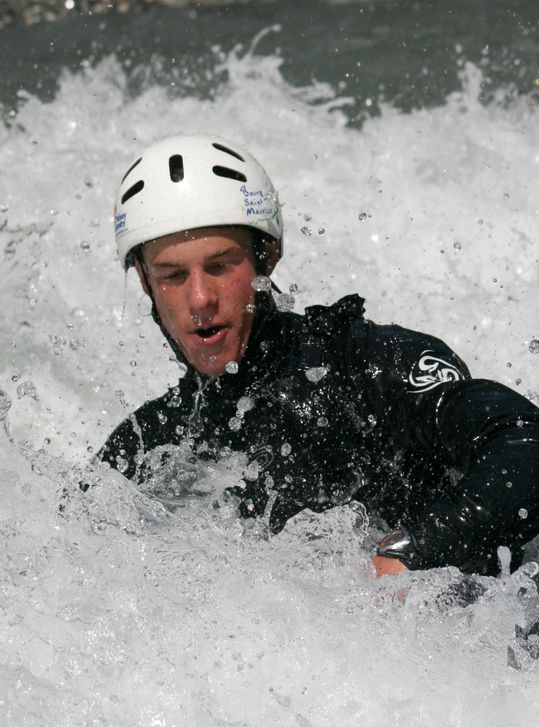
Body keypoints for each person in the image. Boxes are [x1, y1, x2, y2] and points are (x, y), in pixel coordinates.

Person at [99, 134, 539, 578]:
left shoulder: (366, 365)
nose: (199, 299)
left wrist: (419, 547)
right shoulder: (149, 446)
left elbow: (525, 440)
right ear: (144, 281)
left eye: (220, 266)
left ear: (265, 257)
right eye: (173, 275)